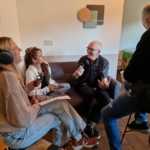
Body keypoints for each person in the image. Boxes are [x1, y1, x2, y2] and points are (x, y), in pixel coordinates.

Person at [0, 37, 97, 150]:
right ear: (5, 56)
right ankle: (75, 140)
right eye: (16, 48)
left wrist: (28, 88)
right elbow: (23, 119)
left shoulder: (5, 74)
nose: (20, 49)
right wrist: (36, 105)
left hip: (19, 124)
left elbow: (12, 97)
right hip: (17, 135)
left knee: (60, 103)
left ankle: (76, 137)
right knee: (60, 114)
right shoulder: (8, 76)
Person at [101, 4, 150, 150]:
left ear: (148, 20)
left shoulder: (148, 36)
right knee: (128, 86)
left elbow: (129, 74)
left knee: (107, 114)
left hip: (146, 94)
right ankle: (141, 120)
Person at [72, 41, 112, 140]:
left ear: (98, 52)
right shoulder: (83, 59)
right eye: (88, 48)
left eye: (92, 49)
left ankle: (91, 123)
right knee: (89, 93)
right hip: (82, 85)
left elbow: (104, 79)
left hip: (96, 86)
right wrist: (76, 74)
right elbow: (74, 76)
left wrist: (105, 85)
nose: (88, 51)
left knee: (107, 99)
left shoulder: (104, 62)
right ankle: (88, 123)